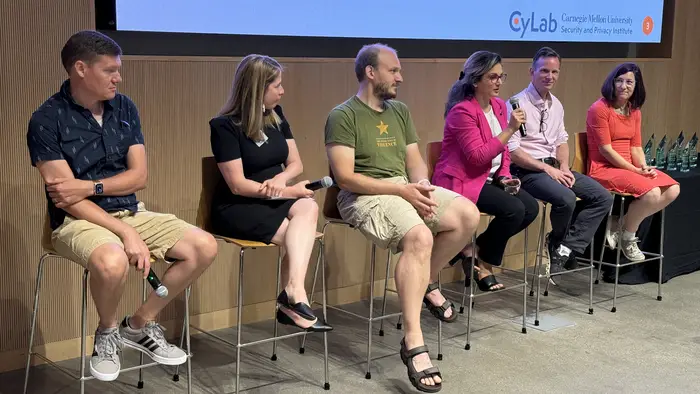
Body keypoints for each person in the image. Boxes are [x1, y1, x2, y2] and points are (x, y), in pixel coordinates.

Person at [26, 30, 218, 382]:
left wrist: (91, 186)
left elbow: (138, 176)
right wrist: (124, 231)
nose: (119, 77)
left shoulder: (124, 107)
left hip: (131, 210)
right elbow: (67, 199)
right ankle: (108, 332)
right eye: (110, 70)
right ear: (80, 69)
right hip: (75, 221)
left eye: (119, 69)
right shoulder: (46, 120)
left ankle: (139, 324)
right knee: (113, 259)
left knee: (203, 246)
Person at [325, 43, 480, 392]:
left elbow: (414, 163)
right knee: (420, 238)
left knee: (467, 216)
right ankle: (412, 340)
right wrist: (401, 192)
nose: (400, 76)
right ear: (370, 72)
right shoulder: (343, 115)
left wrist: (422, 186)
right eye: (393, 70)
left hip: (403, 187)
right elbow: (345, 178)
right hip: (363, 196)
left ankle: (422, 283)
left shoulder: (400, 111)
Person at [209, 54, 332, 333]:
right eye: (276, 85)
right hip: (239, 206)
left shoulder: (276, 116)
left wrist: (281, 179)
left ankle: (293, 293)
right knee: (299, 230)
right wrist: (288, 191)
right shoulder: (223, 126)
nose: (282, 91)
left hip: (274, 198)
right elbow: (238, 185)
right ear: (257, 89)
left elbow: (296, 163)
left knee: (308, 208)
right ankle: (292, 302)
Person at [433, 50, 539, 291]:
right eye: (492, 77)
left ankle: (473, 251)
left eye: (501, 76)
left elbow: (505, 151)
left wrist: (504, 175)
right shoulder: (462, 111)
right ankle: (480, 261)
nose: (499, 82)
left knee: (530, 208)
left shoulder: (500, 106)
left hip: (490, 178)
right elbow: (477, 156)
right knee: (514, 210)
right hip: (463, 180)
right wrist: (510, 129)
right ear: (475, 80)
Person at [508, 47, 613, 273]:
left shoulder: (557, 104)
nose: (550, 77)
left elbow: (561, 141)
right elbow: (513, 152)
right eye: (544, 71)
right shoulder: (517, 104)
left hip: (555, 168)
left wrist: (564, 166)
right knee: (566, 198)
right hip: (527, 171)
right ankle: (556, 241)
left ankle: (565, 248)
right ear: (531, 72)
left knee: (602, 197)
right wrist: (547, 169)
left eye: (555, 72)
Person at [586, 63, 680, 261]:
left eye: (629, 82)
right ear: (612, 83)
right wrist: (636, 171)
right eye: (619, 81)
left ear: (637, 86)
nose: (623, 86)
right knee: (652, 192)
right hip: (604, 168)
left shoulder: (634, 110)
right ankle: (628, 236)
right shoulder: (599, 108)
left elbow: (636, 146)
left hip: (630, 167)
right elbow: (606, 150)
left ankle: (618, 225)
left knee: (673, 189)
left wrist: (643, 166)